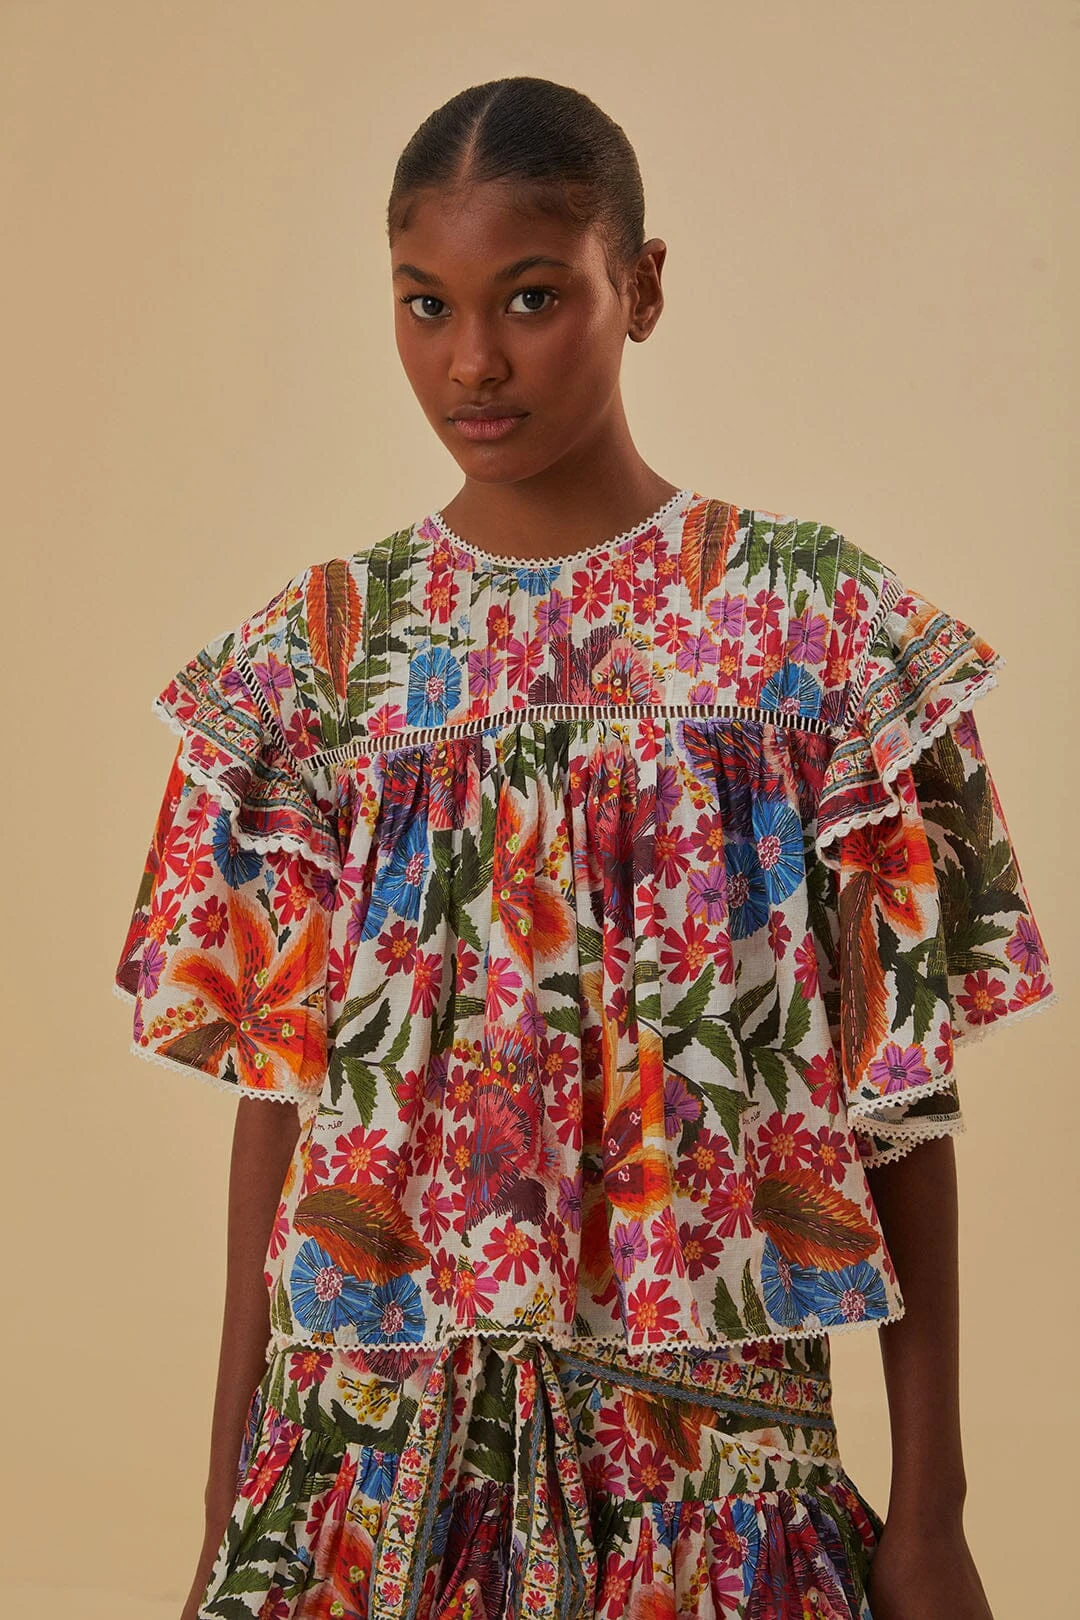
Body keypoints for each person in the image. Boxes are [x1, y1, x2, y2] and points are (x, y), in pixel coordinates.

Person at [114, 75, 1056, 1620]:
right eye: (426, 303)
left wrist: (932, 1510)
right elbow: (281, 1106)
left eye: (532, 297)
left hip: (711, 1476)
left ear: (644, 286)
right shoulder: (324, 662)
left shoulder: (810, 634)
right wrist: (228, 1499)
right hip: (368, 1467)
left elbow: (896, 1103)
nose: (471, 360)